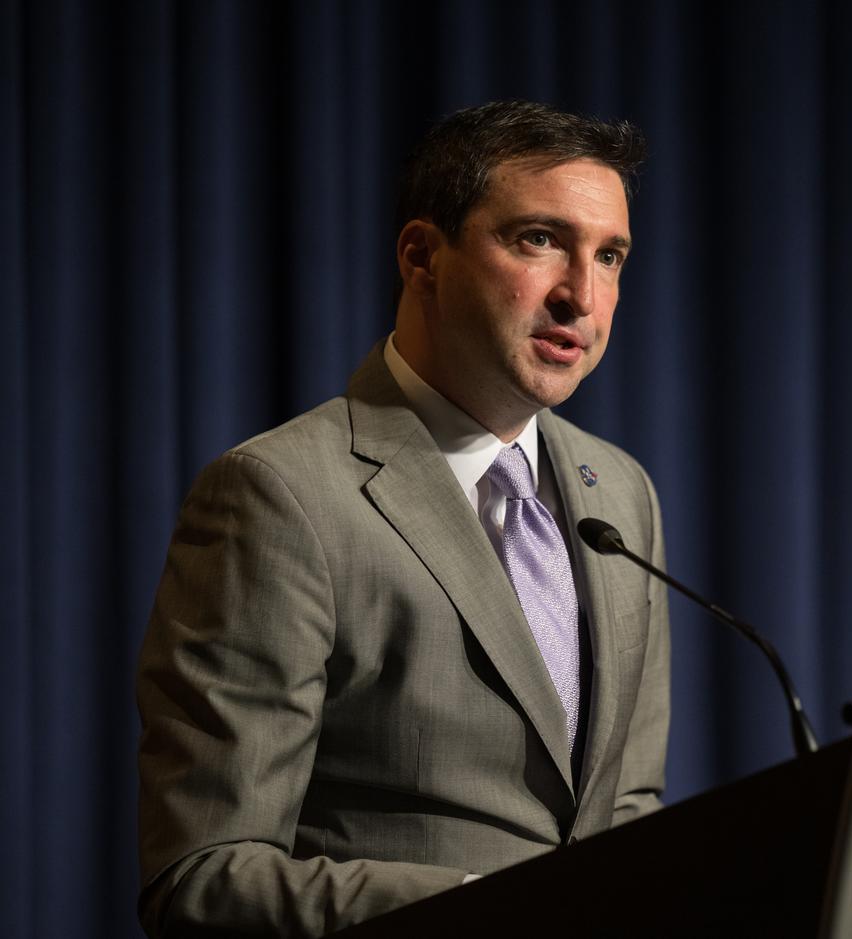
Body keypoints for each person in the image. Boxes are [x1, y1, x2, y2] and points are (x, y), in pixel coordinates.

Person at [136, 100, 670, 938]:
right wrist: (497, 909)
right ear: (423, 256)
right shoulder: (279, 496)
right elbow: (203, 876)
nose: (582, 295)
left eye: (609, 256)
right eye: (539, 240)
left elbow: (626, 807)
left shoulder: (621, 494)